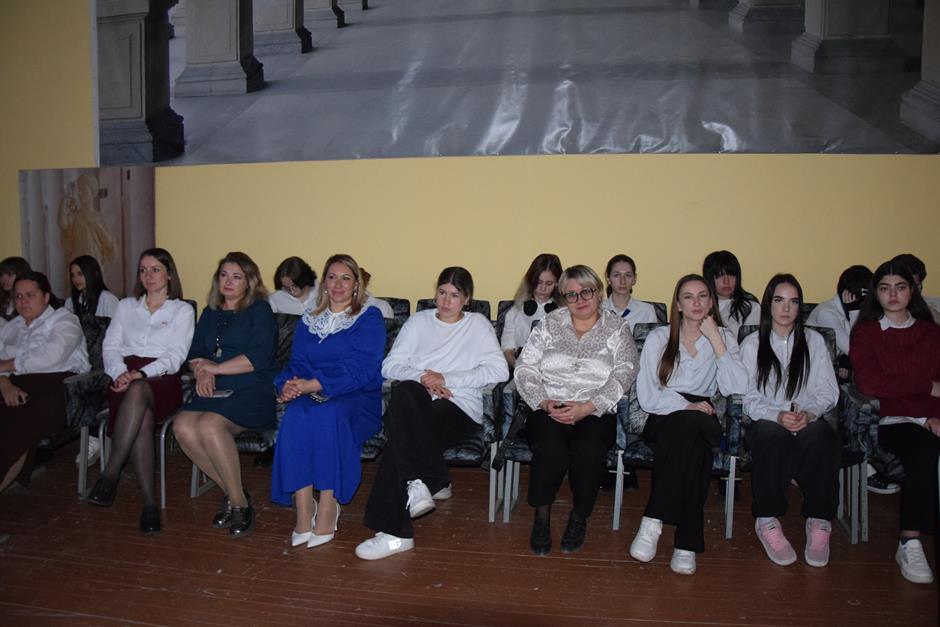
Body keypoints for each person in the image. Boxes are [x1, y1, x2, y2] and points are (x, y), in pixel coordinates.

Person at [355, 267, 508, 560]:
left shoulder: (477, 325)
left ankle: (399, 528)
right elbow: (390, 365)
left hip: (459, 405)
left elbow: (499, 371)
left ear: (467, 299)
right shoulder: (418, 322)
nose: (446, 301)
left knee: (400, 440)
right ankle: (420, 484)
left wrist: (447, 378)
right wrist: (426, 379)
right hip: (418, 398)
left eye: (454, 295)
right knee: (405, 392)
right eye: (441, 293)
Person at [514, 264, 638, 555]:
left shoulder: (617, 328)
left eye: (586, 292)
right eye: (571, 295)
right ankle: (541, 518)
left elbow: (625, 372)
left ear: (599, 292)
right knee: (550, 447)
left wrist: (588, 407)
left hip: (595, 409)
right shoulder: (549, 324)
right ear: (563, 298)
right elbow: (525, 367)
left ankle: (579, 517)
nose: (580, 299)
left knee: (588, 451)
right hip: (549, 405)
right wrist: (543, 402)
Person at [629, 274, 747, 575]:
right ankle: (686, 543)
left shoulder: (724, 337)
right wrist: (685, 405)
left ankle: (653, 519)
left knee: (691, 429)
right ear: (678, 305)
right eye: (688, 297)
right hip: (663, 414)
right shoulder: (660, 337)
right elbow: (648, 394)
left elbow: (737, 387)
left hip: (704, 413)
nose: (697, 303)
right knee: (694, 446)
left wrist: (716, 340)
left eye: (703, 296)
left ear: (711, 301)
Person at [271, 254, 385, 548]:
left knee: (327, 416)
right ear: (323, 283)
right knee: (294, 416)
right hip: (312, 392)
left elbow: (363, 369)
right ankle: (303, 506)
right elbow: (296, 364)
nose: (338, 284)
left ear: (357, 284)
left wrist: (314, 384)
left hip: (356, 396)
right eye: (332, 277)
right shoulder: (309, 319)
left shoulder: (369, 317)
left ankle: (328, 504)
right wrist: (287, 386)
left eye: (346, 278)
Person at [84, 249, 194, 533]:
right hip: (123, 375)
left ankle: (110, 475)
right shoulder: (125, 306)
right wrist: (120, 372)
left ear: (169, 274)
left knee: (139, 390)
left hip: (162, 378)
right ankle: (149, 506)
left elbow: (175, 356)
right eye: (143, 270)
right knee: (142, 416)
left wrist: (141, 374)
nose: (148, 276)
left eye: (155, 269)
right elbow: (110, 346)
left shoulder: (182, 310)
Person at [172, 252, 277, 537]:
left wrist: (215, 368)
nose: (228, 282)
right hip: (215, 386)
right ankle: (234, 493)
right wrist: (202, 372)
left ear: (249, 282)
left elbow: (260, 357)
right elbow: (196, 353)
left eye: (237, 276)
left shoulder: (259, 310)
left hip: (253, 387)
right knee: (182, 426)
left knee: (209, 426)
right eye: (224, 275)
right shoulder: (210, 312)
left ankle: (240, 505)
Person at [850, 259, 940, 585]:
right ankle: (909, 541)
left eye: (900, 287)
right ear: (875, 293)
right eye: (885, 288)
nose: (893, 295)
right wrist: (927, 387)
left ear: (912, 291)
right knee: (925, 450)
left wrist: (935, 414)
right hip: (892, 420)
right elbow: (872, 384)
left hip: (933, 417)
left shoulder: (931, 333)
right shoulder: (866, 333)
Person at [740, 274, 839, 568]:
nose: (786, 308)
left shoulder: (814, 342)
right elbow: (746, 396)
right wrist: (777, 415)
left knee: (822, 437)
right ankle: (767, 519)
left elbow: (828, 391)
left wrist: (809, 413)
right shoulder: (752, 344)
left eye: (793, 302)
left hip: (806, 417)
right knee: (771, 437)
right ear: (768, 304)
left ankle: (819, 520)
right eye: (779, 300)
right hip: (767, 419)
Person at [0, 272, 90, 492]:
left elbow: (51, 356)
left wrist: (7, 366)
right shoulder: (11, 327)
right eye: (18, 296)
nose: (23, 302)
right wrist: (4, 383)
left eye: (30, 295)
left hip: (58, 386)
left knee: (17, 426)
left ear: (46, 297)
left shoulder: (65, 320)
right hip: (11, 384)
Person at [501, 253, 563, 369]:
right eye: (539, 282)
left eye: (549, 283)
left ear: (557, 284)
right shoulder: (514, 312)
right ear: (531, 281)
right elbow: (507, 349)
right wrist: (520, 367)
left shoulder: (564, 313)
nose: (543, 288)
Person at [57, 173, 116, 267]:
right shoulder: (75, 216)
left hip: (93, 261)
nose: (80, 193)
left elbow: (108, 242)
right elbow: (63, 224)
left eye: (83, 190)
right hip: (78, 262)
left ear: (92, 192)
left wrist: (95, 224)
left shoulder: (97, 217)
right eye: (79, 190)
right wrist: (63, 206)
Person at [702, 250, 760, 341]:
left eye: (731, 275)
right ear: (709, 278)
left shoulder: (751, 307)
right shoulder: (699, 306)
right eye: (720, 275)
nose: (726, 281)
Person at [601, 254, 659, 331]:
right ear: (608, 278)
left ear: (634, 279)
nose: (622, 281)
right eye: (616, 275)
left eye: (628, 275)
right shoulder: (598, 309)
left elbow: (654, 338)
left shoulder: (647, 311)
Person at [64, 254, 119, 320]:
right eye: (73, 275)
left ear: (93, 274)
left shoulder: (108, 299)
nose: (76, 279)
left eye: (80, 274)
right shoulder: (70, 302)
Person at [891, 253, 940, 324]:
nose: (910, 291)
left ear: (920, 285)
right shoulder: (880, 309)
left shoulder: (936, 305)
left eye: (915, 286)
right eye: (902, 287)